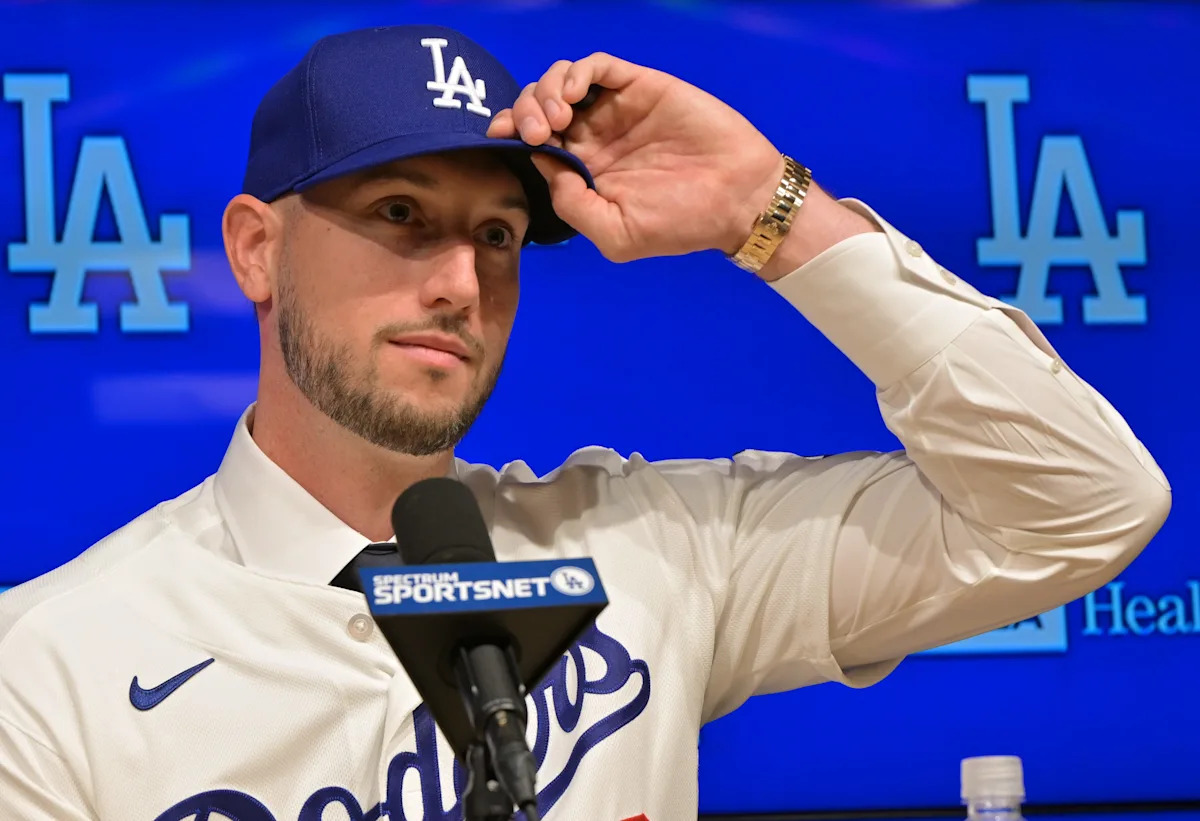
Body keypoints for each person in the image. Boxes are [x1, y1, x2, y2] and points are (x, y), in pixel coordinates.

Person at [0, 23, 1170, 821]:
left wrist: (764, 208)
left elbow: (1080, 503)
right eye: (401, 213)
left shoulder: (650, 545)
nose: (460, 283)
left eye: (497, 235)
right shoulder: (47, 669)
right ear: (257, 249)